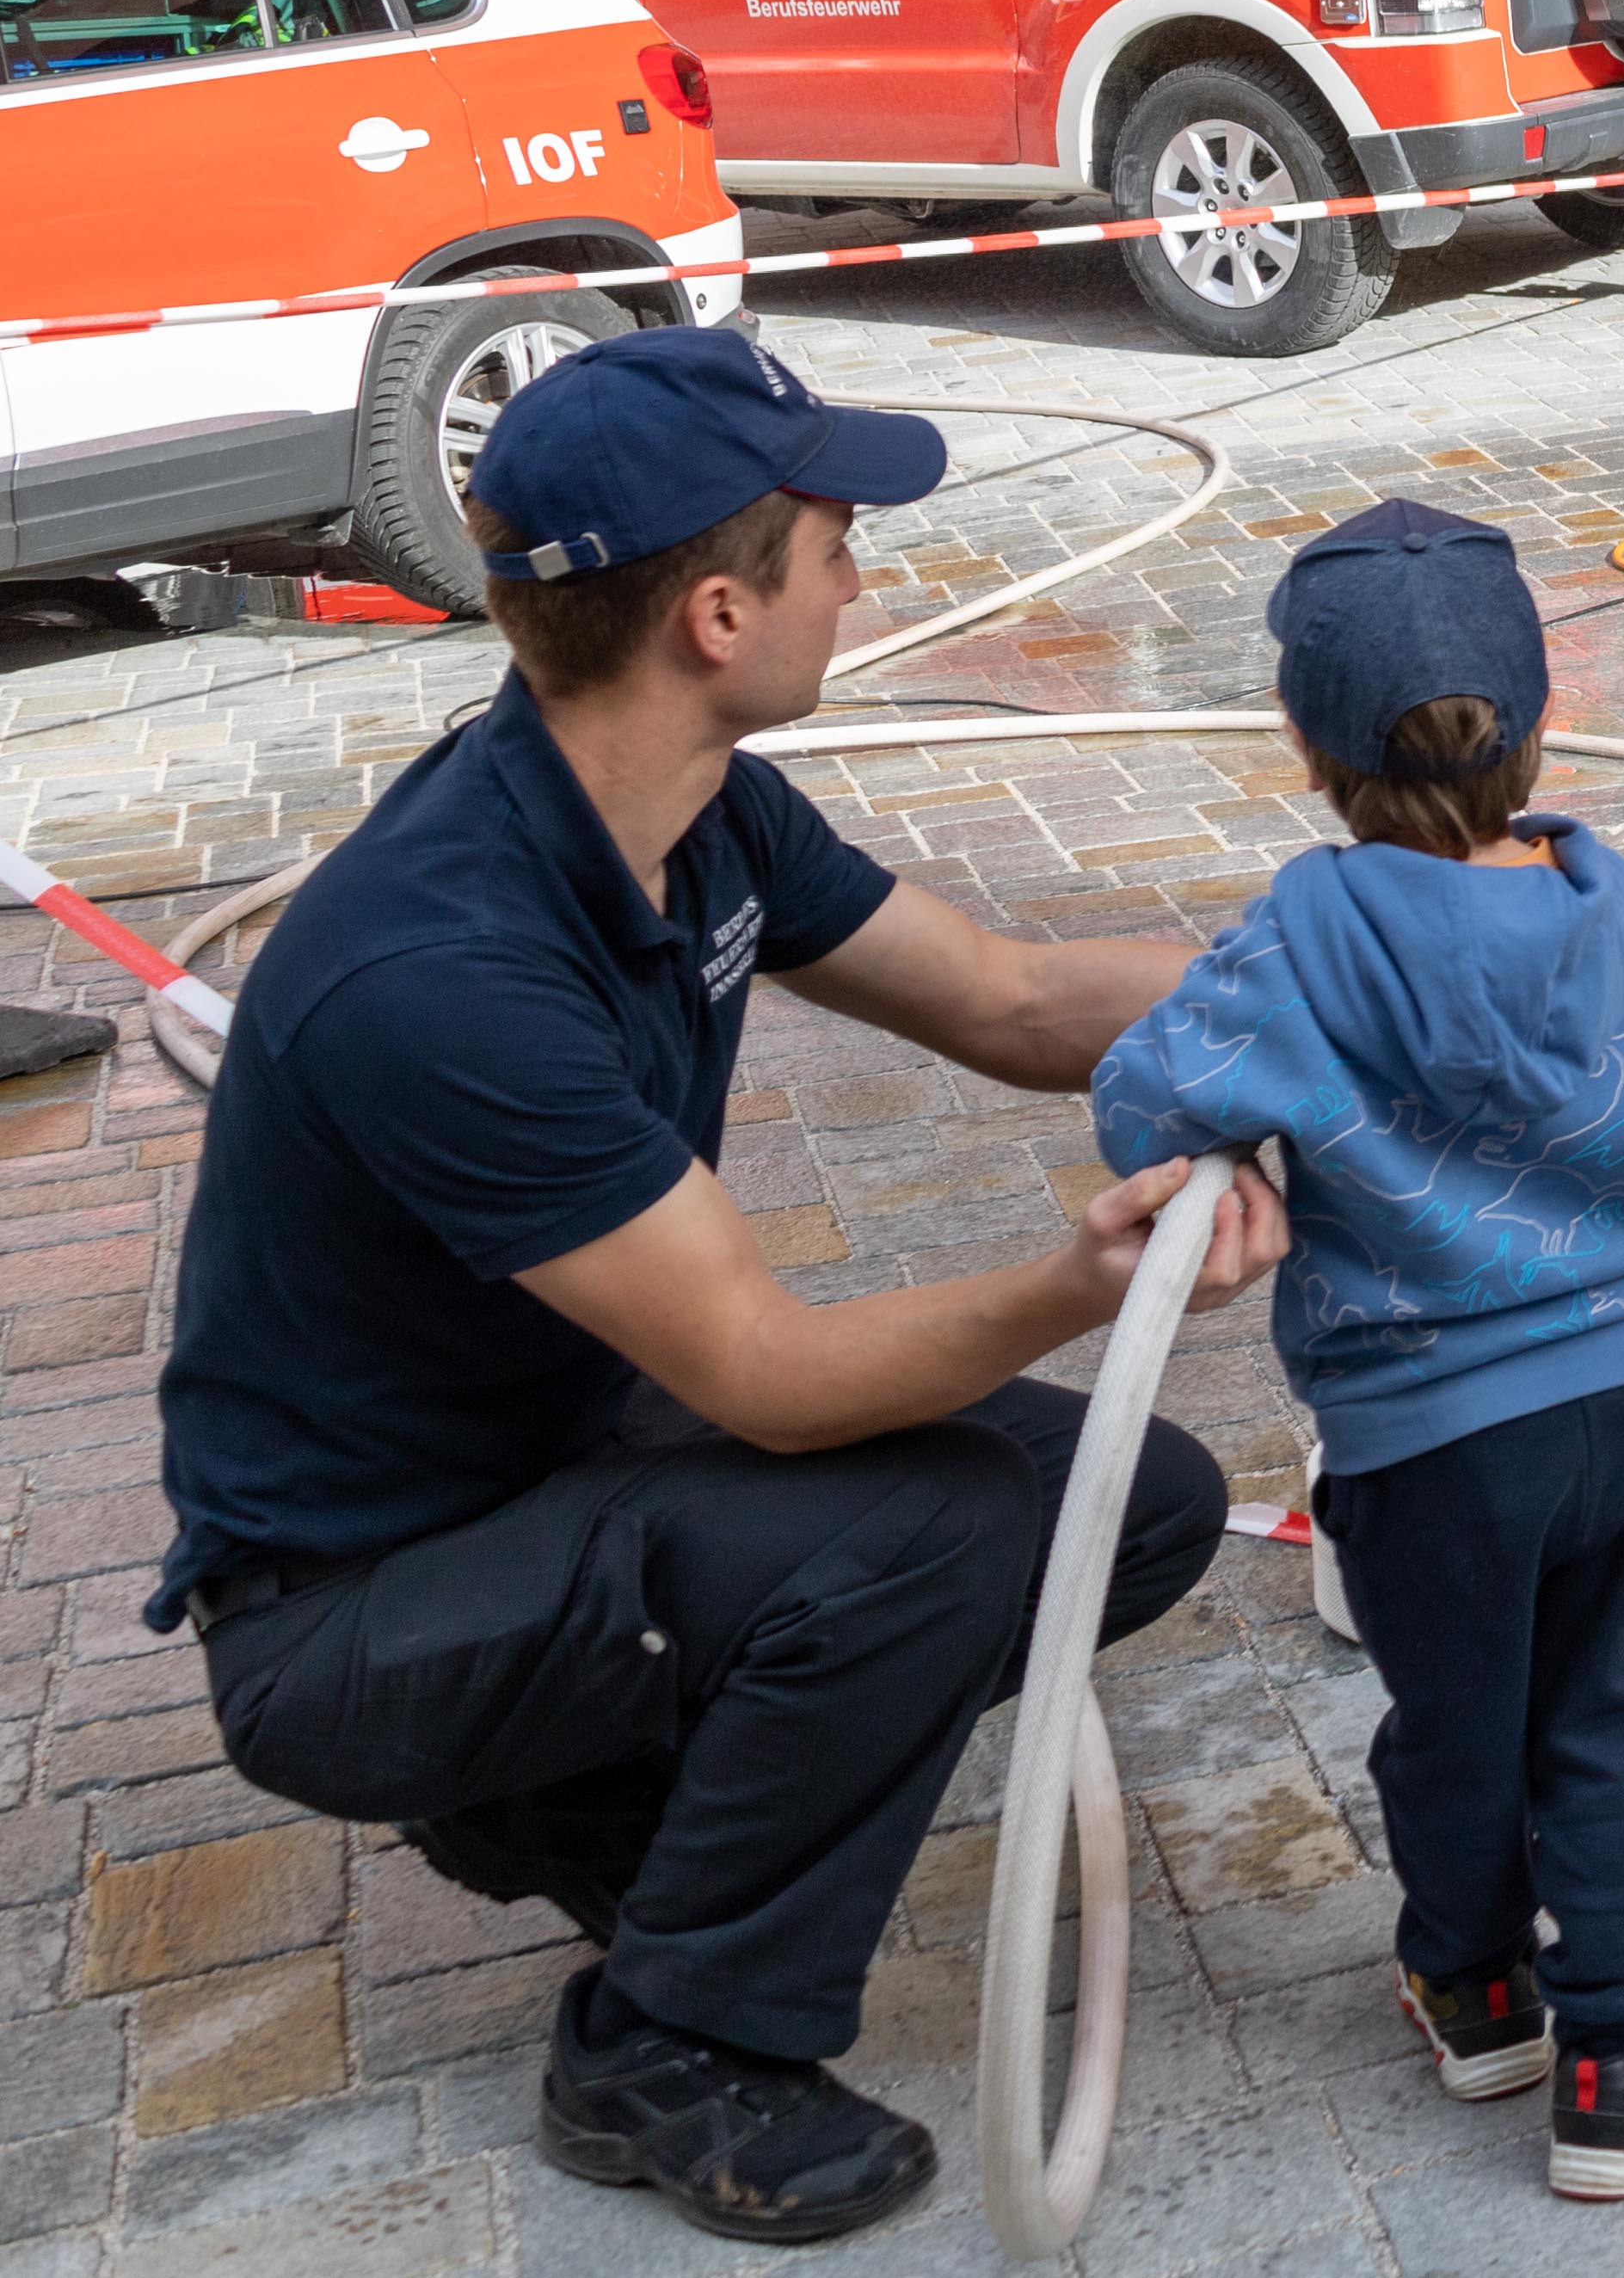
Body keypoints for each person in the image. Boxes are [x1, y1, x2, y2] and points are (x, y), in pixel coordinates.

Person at [150, 327, 1284, 2246]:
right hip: (357, 1600)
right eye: (836, 541)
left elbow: (1005, 999)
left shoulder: (681, 808)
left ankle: (607, 1805)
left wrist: (1319, 987)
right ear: (716, 608)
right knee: (924, 1523)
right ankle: (670, 2040)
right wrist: (1076, 1277)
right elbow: (764, 1370)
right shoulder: (442, 970)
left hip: (555, 1459)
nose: (863, 574)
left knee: (1137, 1503)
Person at [1086, 497, 1624, 2199]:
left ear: (1302, 740)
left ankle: (1471, 1981)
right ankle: (1620, 2046)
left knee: (1453, 1712)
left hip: (1420, 1432)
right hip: (1618, 1389)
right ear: (1538, 722)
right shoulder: (1605, 896)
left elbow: (1138, 1097)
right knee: (1611, 1710)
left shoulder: (1300, 931)